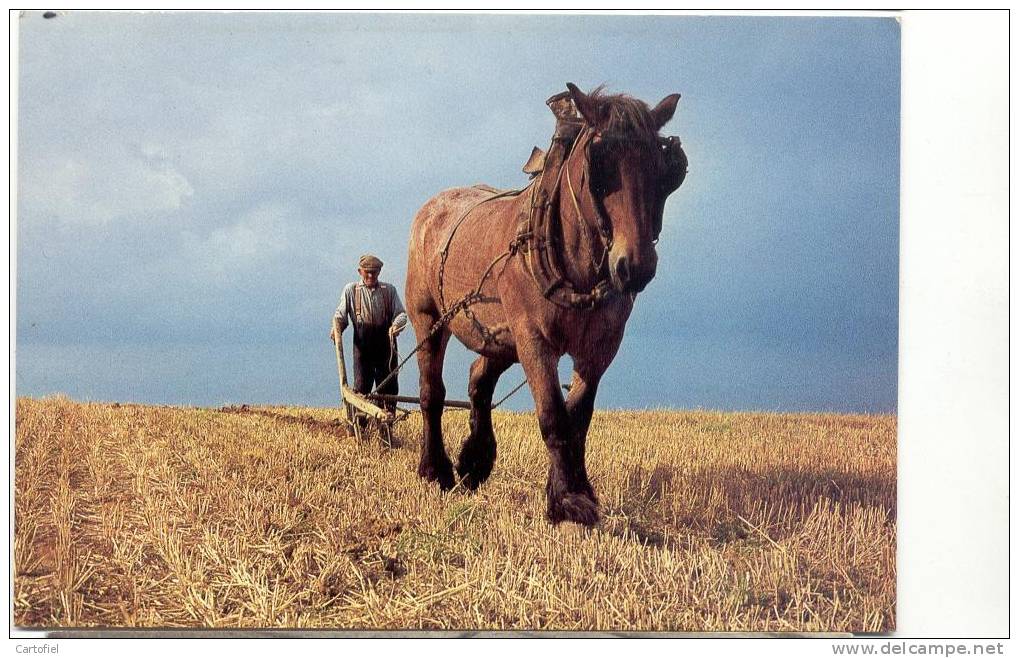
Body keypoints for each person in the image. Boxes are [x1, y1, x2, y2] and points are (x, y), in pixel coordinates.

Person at [331, 254, 408, 411]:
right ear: (360, 271)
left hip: (386, 349)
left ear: (379, 272)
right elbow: (340, 315)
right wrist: (336, 328)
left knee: (389, 390)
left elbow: (402, 314)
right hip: (363, 349)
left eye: (374, 272)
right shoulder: (351, 290)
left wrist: (396, 325)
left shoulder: (389, 291)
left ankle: (386, 428)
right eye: (368, 272)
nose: (371, 275)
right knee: (361, 388)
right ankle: (359, 427)